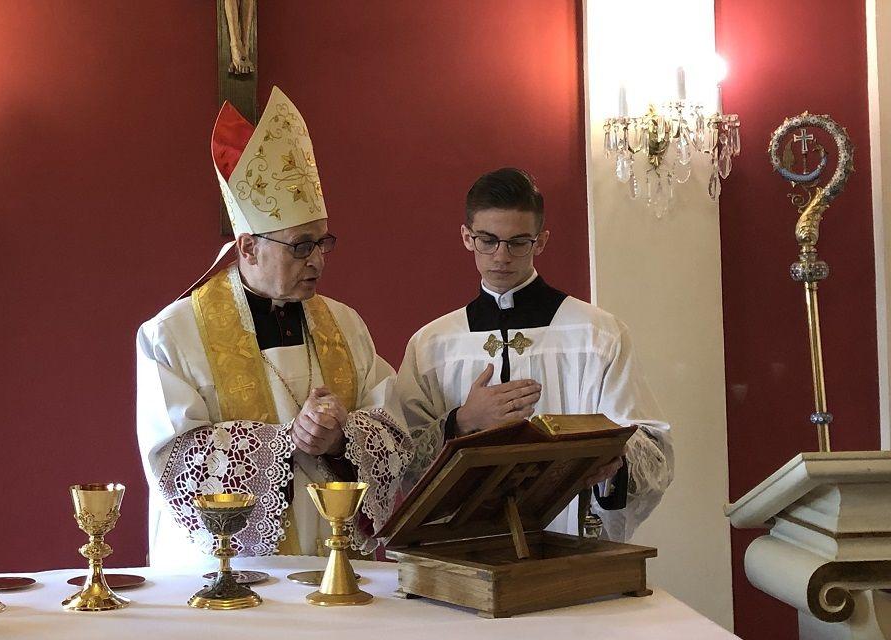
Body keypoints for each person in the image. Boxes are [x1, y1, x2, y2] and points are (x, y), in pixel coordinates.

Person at [137, 87, 410, 567]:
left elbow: (391, 428)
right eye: (301, 246)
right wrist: (288, 440)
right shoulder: (172, 334)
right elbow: (175, 460)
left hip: (336, 565)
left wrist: (342, 437)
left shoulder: (345, 325)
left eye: (324, 242)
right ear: (247, 247)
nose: (319, 261)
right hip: (226, 572)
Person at [395, 167, 673, 542]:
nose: (502, 256)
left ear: (541, 241)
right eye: (487, 240)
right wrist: (462, 421)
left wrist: (613, 459)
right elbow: (400, 461)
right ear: (466, 237)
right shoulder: (432, 345)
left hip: (571, 545)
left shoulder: (597, 334)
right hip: (464, 548)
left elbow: (655, 453)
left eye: (518, 242)